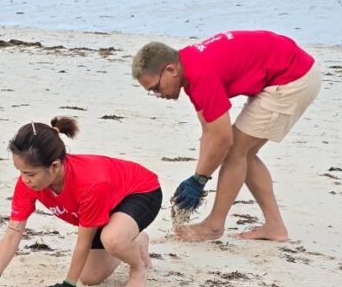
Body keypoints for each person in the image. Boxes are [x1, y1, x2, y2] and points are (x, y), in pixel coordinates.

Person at [132, 31, 320, 243]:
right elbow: (209, 132)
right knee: (244, 153)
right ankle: (275, 226)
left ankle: (215, 225)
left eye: (155, 87)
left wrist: (199, 181)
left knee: (236, 151)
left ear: (170, 70)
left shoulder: (201, 76)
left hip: (293, 77)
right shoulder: (190, 68)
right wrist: (197, 176)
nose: (158, 94)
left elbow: (223, 139)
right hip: (287, 70)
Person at [0, 117, 161, 287]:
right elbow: (13, 232)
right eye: (20, 172)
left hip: (140, 192)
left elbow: (83, 240)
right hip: (106, 206)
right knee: (90, 278)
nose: (24, 179)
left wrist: (68, 285)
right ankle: (132, 240)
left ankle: (137, 267)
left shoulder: (89, 183)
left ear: (54, 167)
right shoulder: (27, 184)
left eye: (30, 173)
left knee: (112, 238)